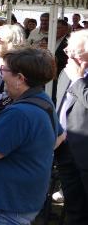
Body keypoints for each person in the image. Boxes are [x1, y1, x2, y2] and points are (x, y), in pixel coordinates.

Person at [0, 47, 65, 224]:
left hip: (10, 200)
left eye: (5, 70)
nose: (1, 75)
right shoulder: (43, 99)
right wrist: (32, 153)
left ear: (20, 78)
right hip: (26, 195)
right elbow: (60, 135)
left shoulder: (19, 114)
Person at [54, 29, 88, 224]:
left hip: (84, 152)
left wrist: (78, 79)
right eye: (68, 50)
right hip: (64, 147)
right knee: (73, 206)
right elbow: (60, 105)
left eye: (75, 51)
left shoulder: (74, 74)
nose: (69, 55)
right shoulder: (67, 71)